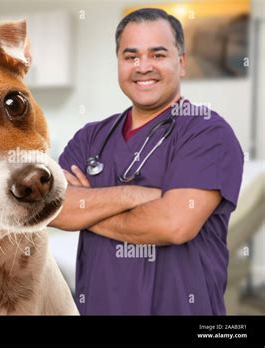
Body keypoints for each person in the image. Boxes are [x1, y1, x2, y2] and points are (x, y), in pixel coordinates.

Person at [49, 8, 244, 315]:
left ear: (180, 63)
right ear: (119, 63)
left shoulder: (207, 132)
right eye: (131, 56)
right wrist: (135, 195)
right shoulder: (90, 137)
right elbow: (54, 209)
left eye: (157, 54)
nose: (143, 67)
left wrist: (88, 209)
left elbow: (173, 225)